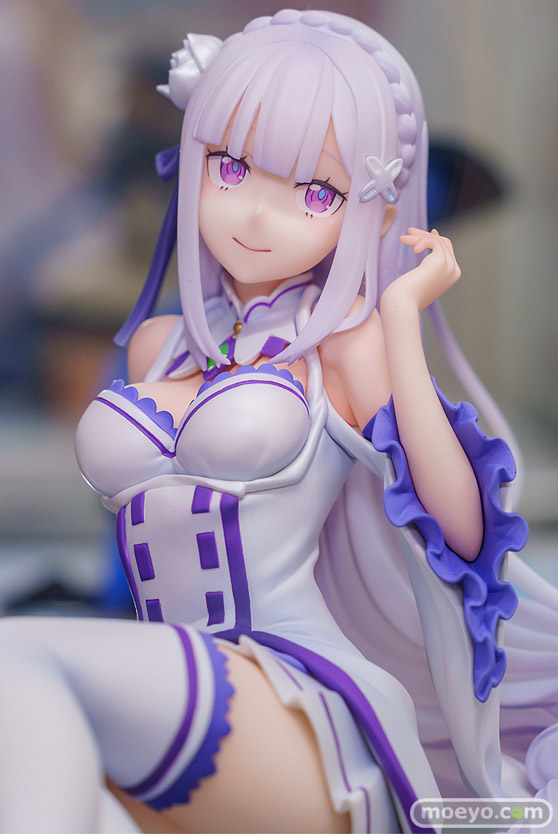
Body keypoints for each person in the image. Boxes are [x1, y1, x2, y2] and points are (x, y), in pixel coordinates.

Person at [1, 11, 557, 834]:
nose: (258, 216)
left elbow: (464, 533)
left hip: (294, 690)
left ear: (371, 208)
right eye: (231, 168)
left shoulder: (348, 346)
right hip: (167, 676)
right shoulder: (158, 345)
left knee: (18, 658)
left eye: (316, 192)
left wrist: (399, 322)